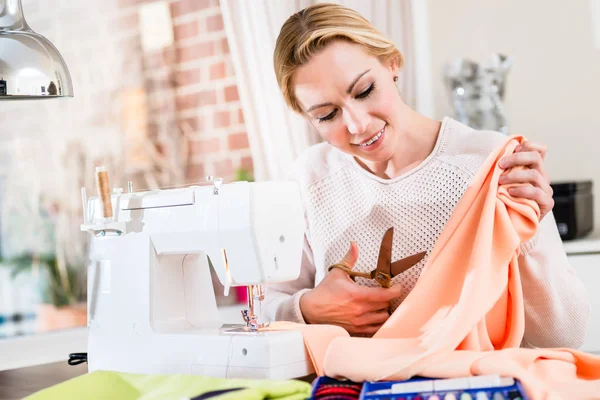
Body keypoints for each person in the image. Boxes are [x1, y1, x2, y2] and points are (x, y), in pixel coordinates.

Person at [263, 3, 590, 348]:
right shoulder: (308, 178)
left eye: (364, 91)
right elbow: (261, 311)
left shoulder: (488, 162)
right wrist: (307, 309)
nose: (358, 125)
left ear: (392, 63)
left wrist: (530, 232)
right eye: (327, 115)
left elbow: (563, 337)